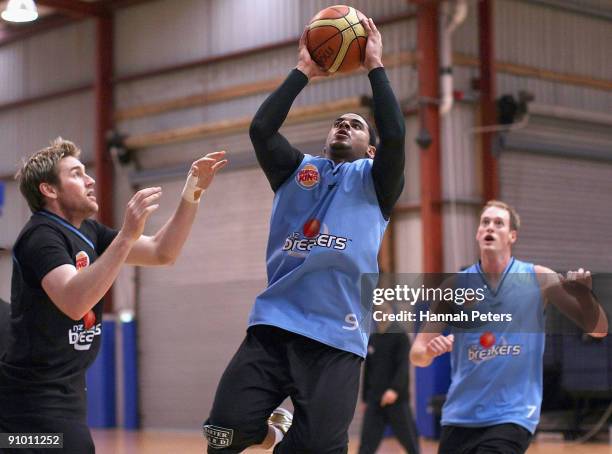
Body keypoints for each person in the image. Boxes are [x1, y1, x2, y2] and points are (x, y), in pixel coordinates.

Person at [203, 18, 405, 454]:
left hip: (337, 337)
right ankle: (274, 430)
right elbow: (261, 130)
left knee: (316, 449)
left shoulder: (376, 182)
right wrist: (303, 72)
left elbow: (397, 134)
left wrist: (375, 66)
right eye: (337, 122)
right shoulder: (296, 171)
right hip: (275, 326)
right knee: (220, 435)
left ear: (371, 149)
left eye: (355, 124)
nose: (344, 126)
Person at [0, 138, 227, 453]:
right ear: (49, 190)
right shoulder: (40, 236)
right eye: (77, 174)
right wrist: (126, 236)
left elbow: (163, 252)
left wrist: (192, 192)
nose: (90, 179)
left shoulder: (90, 232)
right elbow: (74, 301)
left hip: (66, 390)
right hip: (31, 400)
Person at [409, 200, 608, 454]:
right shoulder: (454, 286)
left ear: (512, 235)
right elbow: (416, 352)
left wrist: (583, 297)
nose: (490, 227)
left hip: (511, 416)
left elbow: (598, 329)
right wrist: (429, 352)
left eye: (498, 223)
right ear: (478, 233)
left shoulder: (539, 278)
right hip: (459, 417)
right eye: (485, 222)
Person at [358, 303, 420, 454]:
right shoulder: (373, 338)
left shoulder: (400, 336)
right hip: (374, 399)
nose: (381, 315)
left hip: (396, 400)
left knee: (410, 442)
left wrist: (394, 390)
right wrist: (364, 398)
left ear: (391, 312)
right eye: (378, 312)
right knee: (366, 444)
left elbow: (403, 366)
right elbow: (368, 370)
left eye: (384, 311)